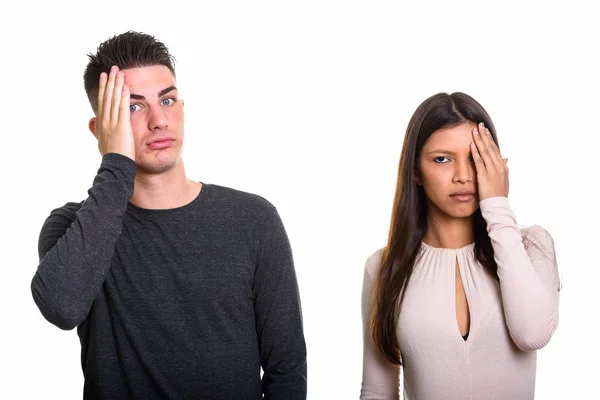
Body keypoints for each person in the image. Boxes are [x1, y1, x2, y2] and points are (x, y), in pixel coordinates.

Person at [31, 31, 307, 400]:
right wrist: (116, 164)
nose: (159, 120)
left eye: (168, 99)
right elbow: (62, 307)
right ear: (101, 130)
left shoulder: (253, 220)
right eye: (133, 106)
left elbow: (286, 370)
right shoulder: (71, 227)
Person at [360, 92, 560, 399]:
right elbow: (378, 391)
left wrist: (497, 205)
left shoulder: (532, 246)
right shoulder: (384, 267)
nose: (463, 176)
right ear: (415, 171)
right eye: (442, 159)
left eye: (475, 158)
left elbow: (532, 333)